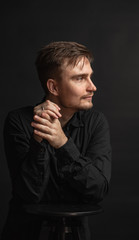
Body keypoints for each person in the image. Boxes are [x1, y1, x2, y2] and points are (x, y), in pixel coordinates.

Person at [1, 41, 112, 240]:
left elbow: (97, 190)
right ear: (53, 86)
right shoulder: (18, 120)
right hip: (24, 233)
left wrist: (63, 143)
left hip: (75, 234)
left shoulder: (96, 122)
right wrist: (40, 137)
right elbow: (29, 195)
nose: (92, 87)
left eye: (90, 77)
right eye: (80, 78)